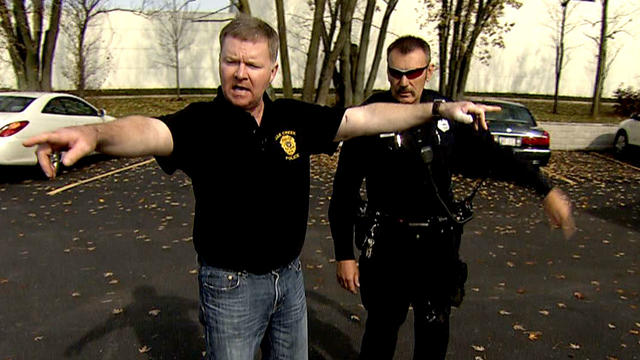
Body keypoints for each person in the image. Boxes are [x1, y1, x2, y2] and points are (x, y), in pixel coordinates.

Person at [23, 17, 499, 360]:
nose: (240, 72)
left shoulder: (293, 118)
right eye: (231, 61)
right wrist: (97, 134)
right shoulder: (202, 124)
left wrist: (438, 109)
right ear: (221, 64)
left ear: (272, 70)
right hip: (230, 285)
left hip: (287, 281)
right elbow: (149, 131)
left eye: (252, 63)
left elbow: (366, 117)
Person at [328, 35, 575, 360]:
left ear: (429, 70)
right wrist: (345, 254)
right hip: (388, 245)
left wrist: (545, 189)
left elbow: (494, 157)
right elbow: (344, 191)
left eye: (413, 73)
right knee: (380, 333)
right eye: (396, 73)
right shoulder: (370, 116)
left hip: (436, 246)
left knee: (433, 335)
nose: (404, 83)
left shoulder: (446, 116)